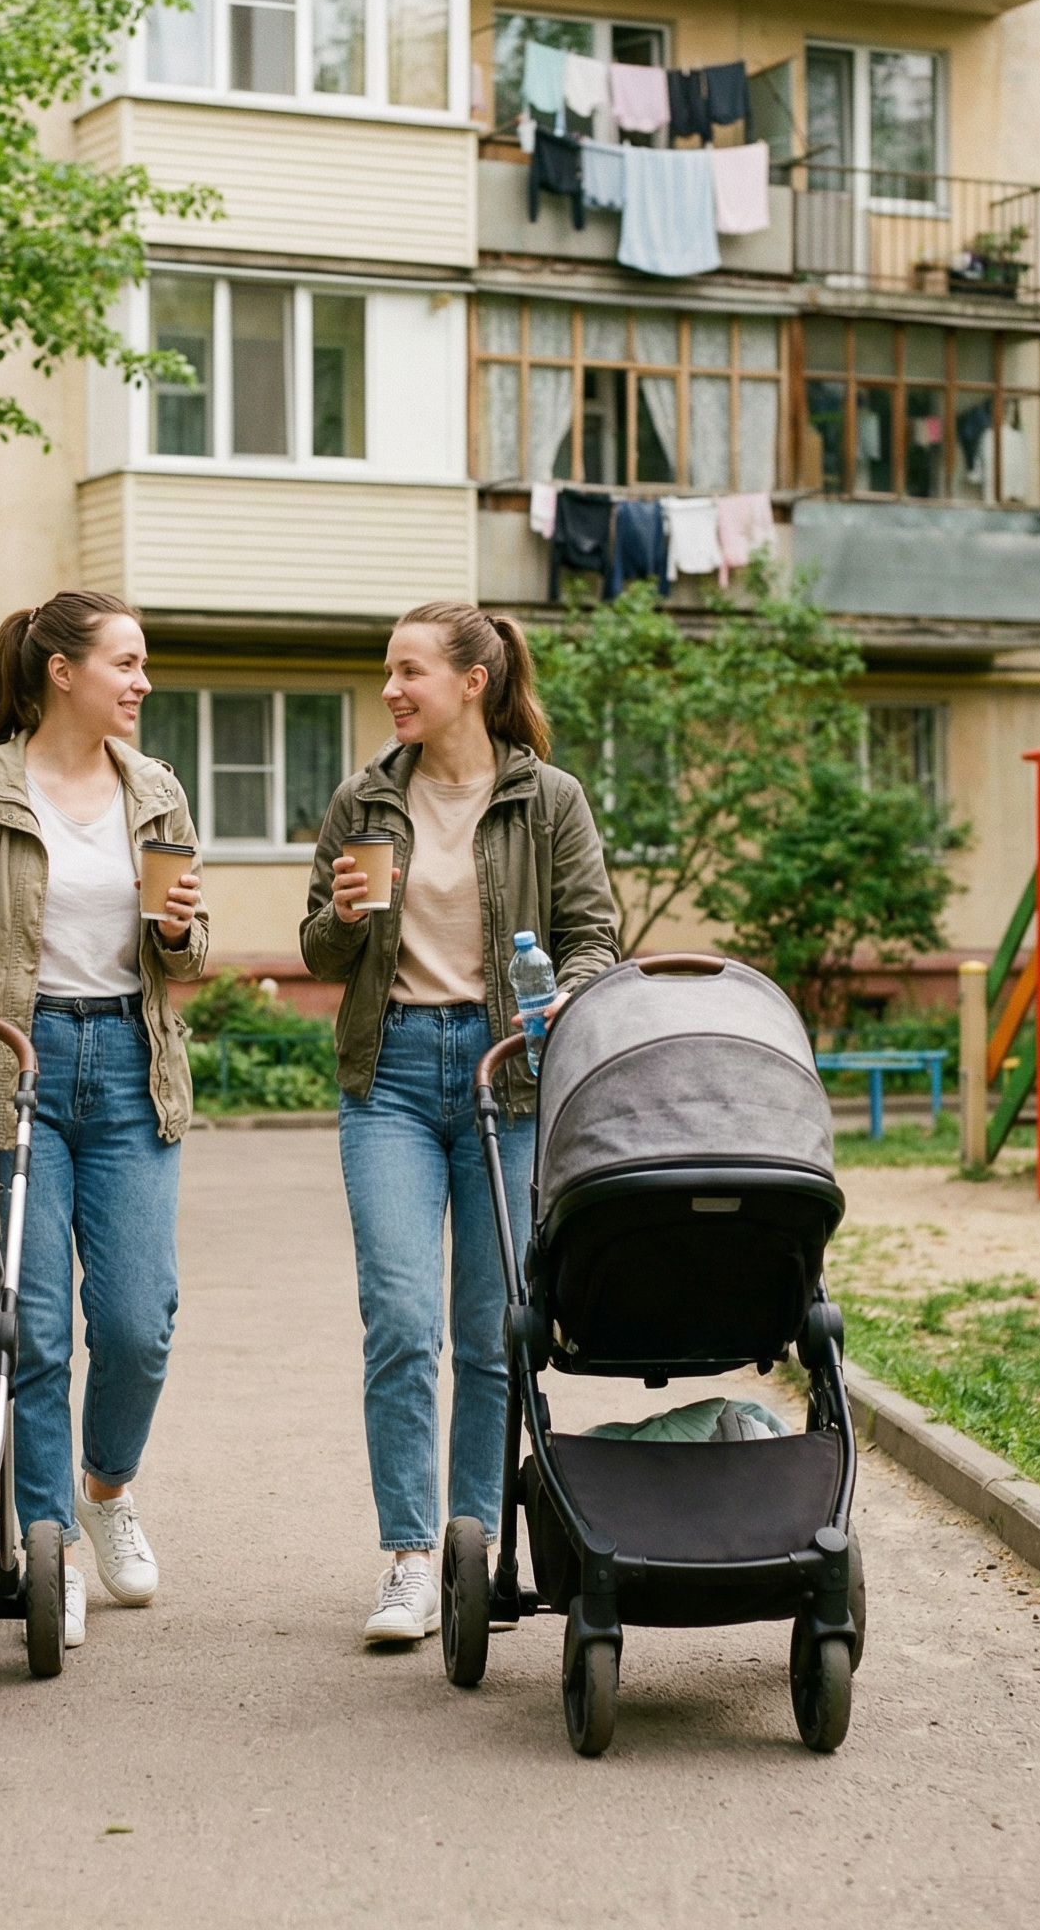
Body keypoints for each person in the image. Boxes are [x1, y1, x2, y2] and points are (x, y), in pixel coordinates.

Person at [0, 591, 205, 1650]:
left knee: (136, 1323)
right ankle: (46, 1539)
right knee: (40, 1332)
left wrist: (180, 932)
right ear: (61, 670)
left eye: (143, 662)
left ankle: (105, 1490)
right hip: (13, 1066)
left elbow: (184, 959)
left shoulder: (154, 789)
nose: (142, 680)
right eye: (126, 661)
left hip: (127, 1066)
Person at [302, 601, 619, 1644]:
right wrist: (341, 919)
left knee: (493, 1334)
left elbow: (592, 934)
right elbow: (317, 949)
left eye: (407, 671)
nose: (389, 688)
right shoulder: (365, 797)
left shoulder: (546, 797)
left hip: (508, 1079)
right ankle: (405, 1554)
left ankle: (470, 1549)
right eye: (386, 671)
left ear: (470, 681)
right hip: (387, 1071)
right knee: (399, 1318)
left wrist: (568, 996)